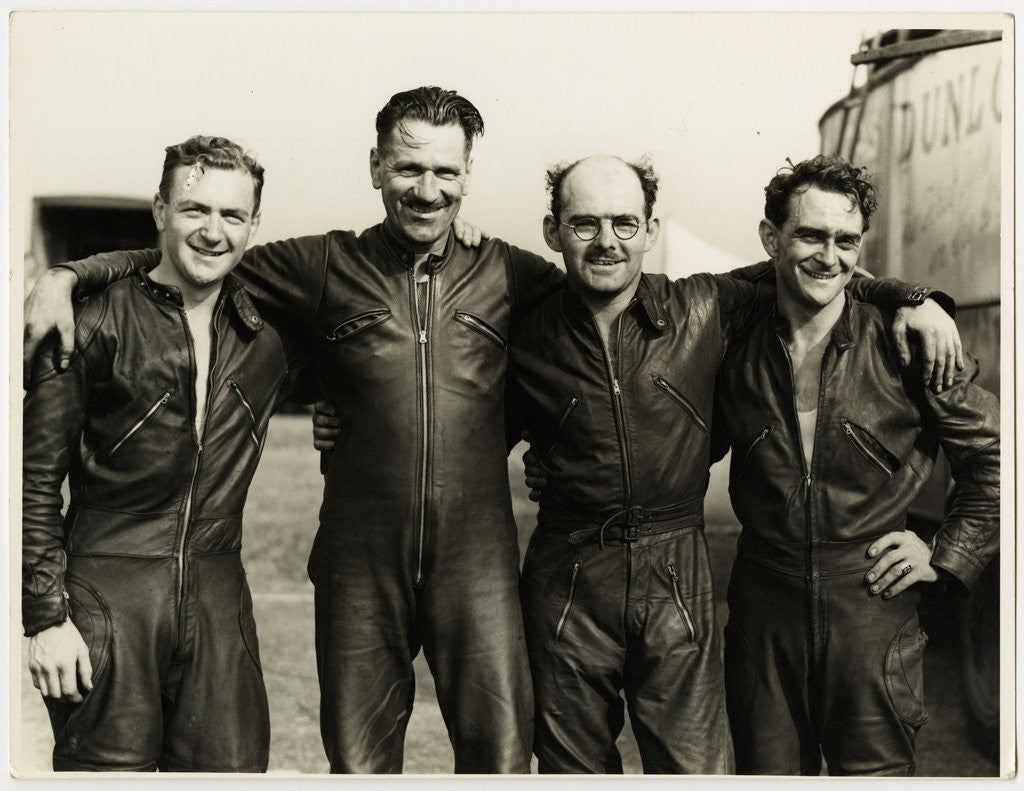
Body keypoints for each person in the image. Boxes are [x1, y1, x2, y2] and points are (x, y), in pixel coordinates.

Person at [21, 86, 563, 774]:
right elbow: (184, 262)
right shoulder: (319, 266)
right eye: (408, 168)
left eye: (446, 172)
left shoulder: (509, 271)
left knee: (500, 761)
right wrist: (65, 276)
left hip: (468, 563)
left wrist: (542, 446)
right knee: (356, 764)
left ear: (467, 176)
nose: (427, 190)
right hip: (332, 569)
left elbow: (578, 339)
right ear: (375, 166)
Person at [465, 154, 958, 773]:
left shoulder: (705, 308)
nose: (607, 242)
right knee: (574, 772)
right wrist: (342, 419)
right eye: (585, 224)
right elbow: (468, 423)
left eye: (624, 223)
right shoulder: (526, 333)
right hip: (567, 579)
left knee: (697, 771)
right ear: (552, 231)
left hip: (676, 571)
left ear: (650, 229)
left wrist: (913, 296)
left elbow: (809, 267)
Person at [22, 136, 307, 771]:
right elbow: (32, 483)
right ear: (159, 210)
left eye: (232, 216)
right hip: (106, 596)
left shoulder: (266, 337)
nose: (213, 231)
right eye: (193, 210)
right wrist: (45, 618)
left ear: (254, 224)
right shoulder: (88, 322)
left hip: (219, 600)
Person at [709, 155, 1000, 775]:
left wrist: (946, 554)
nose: (829, 257)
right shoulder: (733, 342)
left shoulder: (905, 342)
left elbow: (999, 458)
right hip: (765, 610)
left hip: (871, 608)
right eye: (810, 235)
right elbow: (676, 439)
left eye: (847, 241)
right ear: (771, 238)